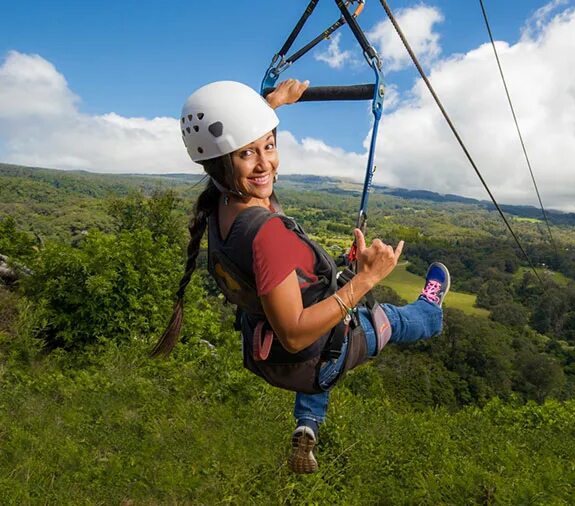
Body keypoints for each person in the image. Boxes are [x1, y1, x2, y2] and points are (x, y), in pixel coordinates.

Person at [152, 79, 450, 474]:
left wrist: (271, 104)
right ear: (222, 162)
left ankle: (307, 424)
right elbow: (295, 332)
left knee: (323, 328)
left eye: (269, 146)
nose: (265, 164)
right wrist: (367, 278)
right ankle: (431, 312)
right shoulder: (266, 235)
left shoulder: (221, 209)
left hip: (270, 356)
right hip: (305, 352)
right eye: (247, 153)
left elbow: (241, 152)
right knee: (386, 319)